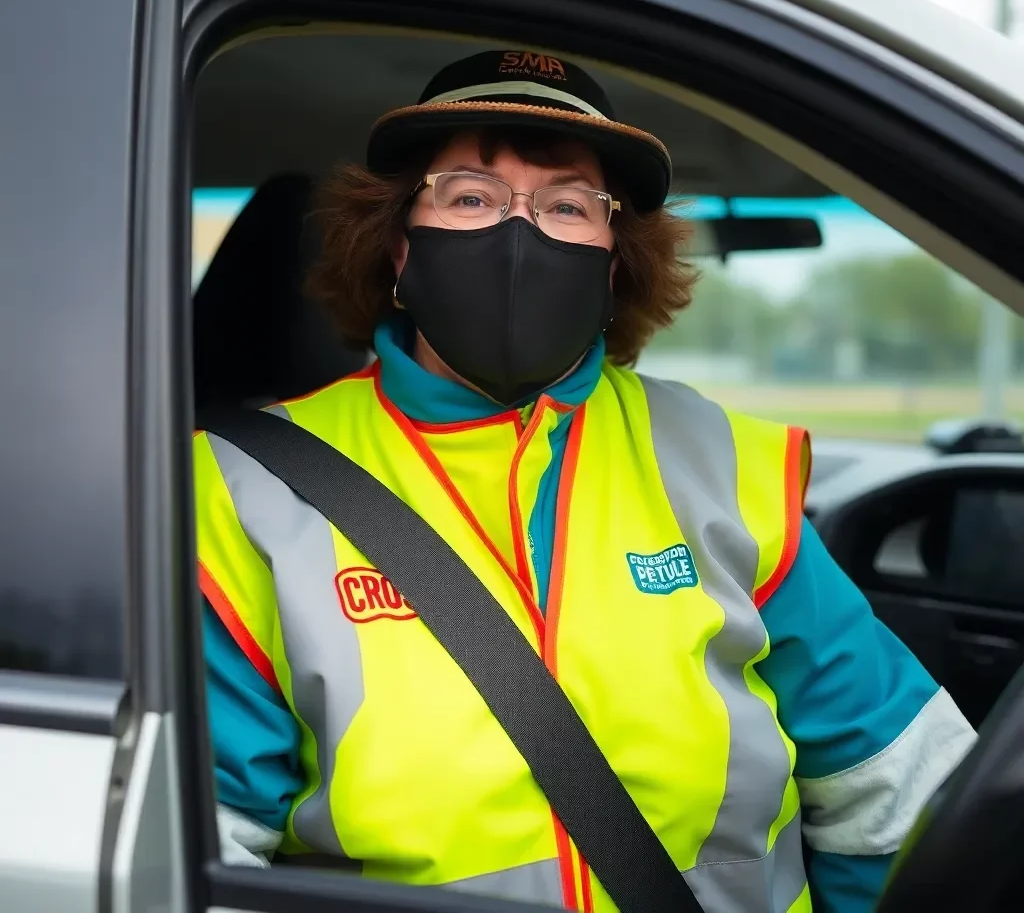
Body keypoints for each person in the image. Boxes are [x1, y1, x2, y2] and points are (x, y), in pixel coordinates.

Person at [195, 50, 975, 913]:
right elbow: (202, 844)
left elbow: (899, 796)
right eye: (469, 196)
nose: (518, 233)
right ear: (398, 251)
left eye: (568, 205)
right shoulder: (244, 496)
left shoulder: (723, 463)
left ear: (612, 269)